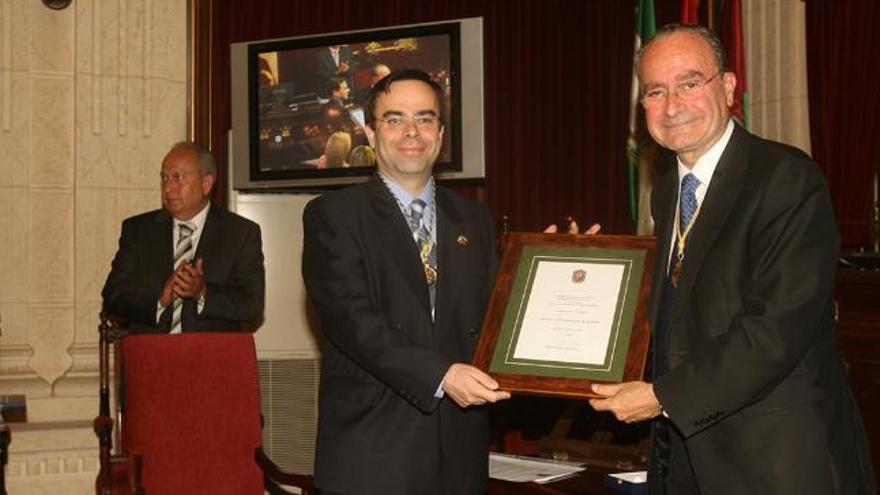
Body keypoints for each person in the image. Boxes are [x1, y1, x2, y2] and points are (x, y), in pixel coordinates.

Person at [588, 24, 875, 495]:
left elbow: (774, 332)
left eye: (689, 83)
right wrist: (585, 268)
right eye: (656, 92)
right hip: (686, 457)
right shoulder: (667, 190)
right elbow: (678, 310)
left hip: (774, 463)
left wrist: (663, 398)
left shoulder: (785, 178)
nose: (672, 106)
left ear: (727, 87)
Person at [302, 69, 510, 495]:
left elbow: (498, 317)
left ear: (441, 134)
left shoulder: (474, 219)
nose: (412, 132)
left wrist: (550, 270)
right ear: (370, 132)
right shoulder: (333, 216)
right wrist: (441, 375)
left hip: (459, 455)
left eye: (425, 119)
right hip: (373, 454)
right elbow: (353, 321)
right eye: (395, 119)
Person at [102, 142, 265, 334]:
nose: (168, 188)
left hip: (210, 351)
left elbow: (251, 304)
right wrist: (159, 300)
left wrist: (203, 293)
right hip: (152, 349)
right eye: (164, 178)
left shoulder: (240, 233)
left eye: (179, 178)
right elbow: (113, 295)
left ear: (206, 184)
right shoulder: (139, 231)